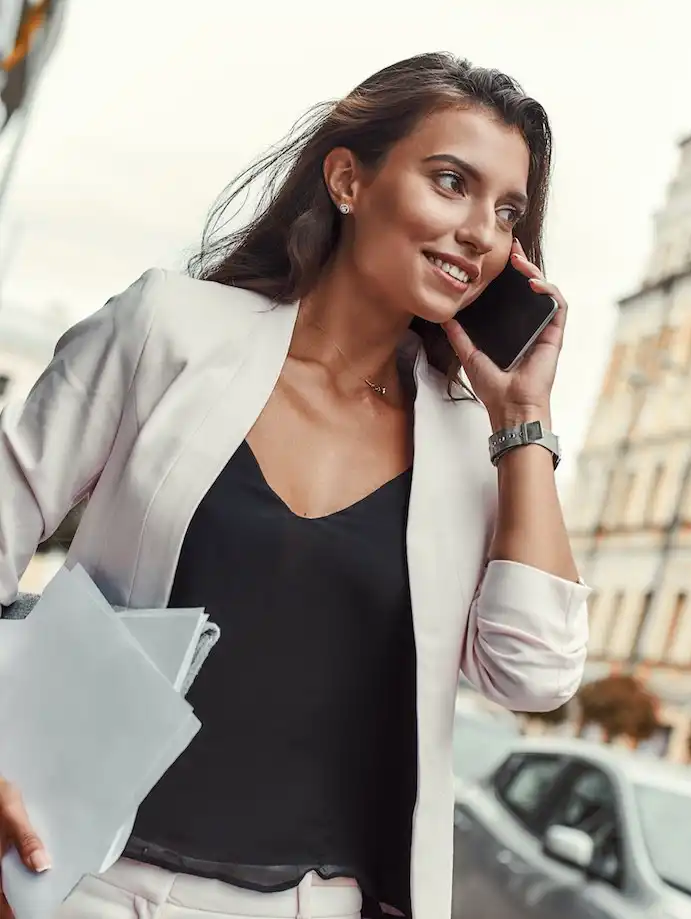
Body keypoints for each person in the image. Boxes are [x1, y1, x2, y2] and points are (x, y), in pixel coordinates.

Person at [0, 52, 589, 919]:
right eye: (451, 182)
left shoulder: (474, 446)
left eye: (507, 212)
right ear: (349, 178)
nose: (479, 232)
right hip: (74, 877)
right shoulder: (169, 329)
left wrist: (521, 422)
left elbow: (532, 671)